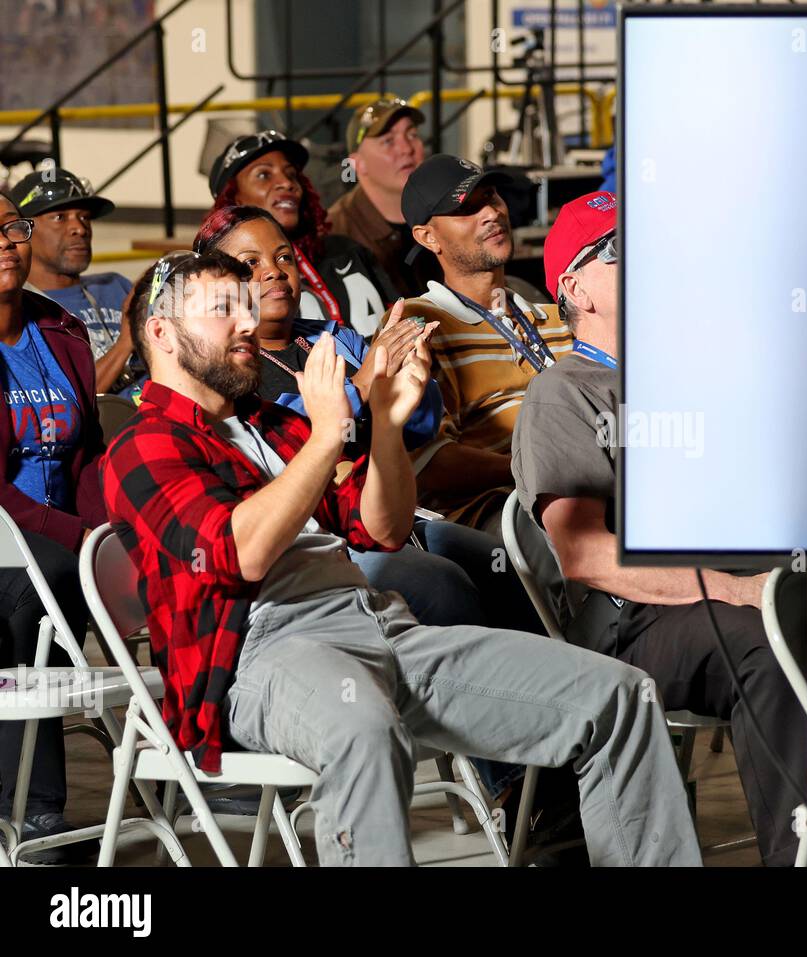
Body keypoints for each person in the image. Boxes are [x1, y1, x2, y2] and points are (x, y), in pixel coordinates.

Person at [99, 249, 698, 866]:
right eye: (223, 309)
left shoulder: (271, 425)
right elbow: (237, 555)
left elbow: (380, 528)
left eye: (247, 305)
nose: (248, 322)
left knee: (621, 696)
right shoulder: (143, 443)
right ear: (162, 333)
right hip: (264, 654)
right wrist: (331, 432)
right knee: (364, 729)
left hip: (379, 623)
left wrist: (384, 422)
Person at [511, 192, 807, 867]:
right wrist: (733, 589)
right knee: (769, 645)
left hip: (743, 579)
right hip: (637, 619)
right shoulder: (566, 392)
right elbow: (585, 553)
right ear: (575, 288)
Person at [192, 204, 539, 634]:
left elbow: (419, 428)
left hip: (392, 510)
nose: (274, 271)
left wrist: (414, 376)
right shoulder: (231, 363)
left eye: (284, 257)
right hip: (320, 532)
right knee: (443, 587)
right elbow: (282, 441)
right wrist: (362, 385)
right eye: (250, 264)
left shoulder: (332, 336)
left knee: (507, 569)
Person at [0, 193, 107, 864]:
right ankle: (37, 813)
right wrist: (75, 541)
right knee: (44, 587)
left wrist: (102, 531)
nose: (5, 241)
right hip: (8, 544)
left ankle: (208, 763)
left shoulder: (60, 330)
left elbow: (90, 450)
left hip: (64, 542)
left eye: (10, 226)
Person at [397, 154, 574, 534]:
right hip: (505, 513)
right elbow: (431, 465)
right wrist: (540, 467)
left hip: (586, 487)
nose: (491, 212)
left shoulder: (558, 316)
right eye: (467, 208)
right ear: (427, 237)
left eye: (491, 196)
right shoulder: (418, 323)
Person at [207, 129, 397, 336]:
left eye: (291, 175)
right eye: (264, 175)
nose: (288, 183)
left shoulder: (347, 250)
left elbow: (401, 317)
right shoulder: (223, 280)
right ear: (234, 201)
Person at [14, 168, 139, 394]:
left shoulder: (115, 285)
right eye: (59, 217)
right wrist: (126, 343)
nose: (79, 229)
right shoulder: (20, 309)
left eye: (84, 217)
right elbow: (64, 400)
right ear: (23, 230)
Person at [328, 97, 440, 297]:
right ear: (357, 163)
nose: (407, 149)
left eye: (412, 134)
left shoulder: (448, 210)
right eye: (388, 141)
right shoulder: (336, 234)